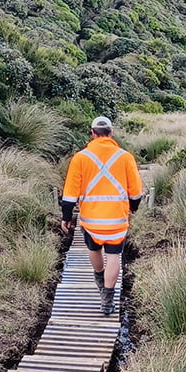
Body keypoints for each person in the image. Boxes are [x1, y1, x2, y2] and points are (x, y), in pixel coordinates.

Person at [60, 116, 143, 315]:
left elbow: (70, 195)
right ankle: (107, 300)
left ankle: (99, 277)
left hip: (90, 220)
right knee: (114, 256)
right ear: (111, 133)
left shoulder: (80, 158)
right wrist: (133, 207)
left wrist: (66, 217)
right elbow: (136, 193)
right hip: (117, 220)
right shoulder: (125, 157)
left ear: (93, 133)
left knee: (94, 249)